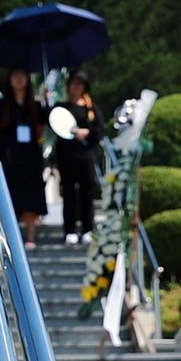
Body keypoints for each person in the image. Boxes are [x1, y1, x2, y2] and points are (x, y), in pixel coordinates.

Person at [0, 66, 47, 246]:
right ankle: (8, 237)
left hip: (29, 155)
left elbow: (39, 131)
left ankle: (30, 236)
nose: (19, 79)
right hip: (8, 155)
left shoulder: (35, 105)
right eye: (15, 75)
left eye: (23, 75)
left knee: (31, 195)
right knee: (8, 194)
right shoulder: (0, 104)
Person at [53, 70, 104, 244]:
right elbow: (52, 121)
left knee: (86, 193)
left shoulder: (92, 109)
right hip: (67, 156)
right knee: (68, 193)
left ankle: (87, 229)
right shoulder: (62, 107)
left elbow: (100, 131)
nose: (76, 87)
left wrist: (87, 133)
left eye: (79, 83)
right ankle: (70, 230)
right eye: (73, 83)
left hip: (86, 156)